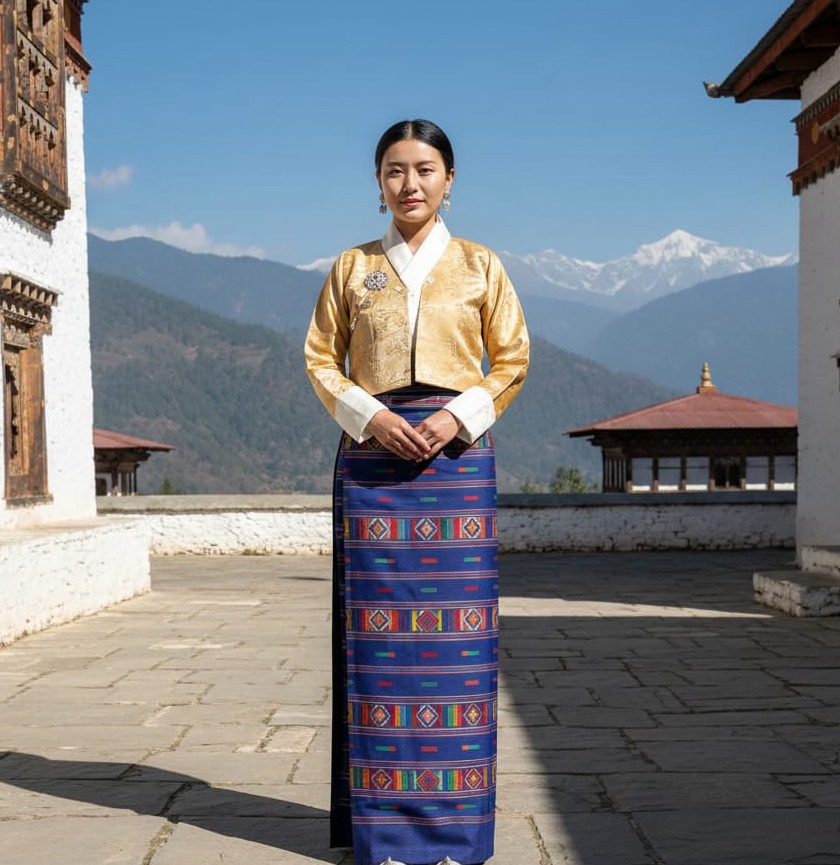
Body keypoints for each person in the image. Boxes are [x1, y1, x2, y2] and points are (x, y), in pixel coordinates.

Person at [304, 118, 529, 865]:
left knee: (458, 646)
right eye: (395, 170)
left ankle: (456, 834)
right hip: (373, 464)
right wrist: (370, 417)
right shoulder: (352, 268)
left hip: (456, 462)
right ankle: (382, 833)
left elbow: (512, 360)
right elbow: (320, 360)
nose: (410, 183)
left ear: (449, 181)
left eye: (425, 169)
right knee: (377, 647)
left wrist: (454, 417)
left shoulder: (481, 266)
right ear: (378, 182)